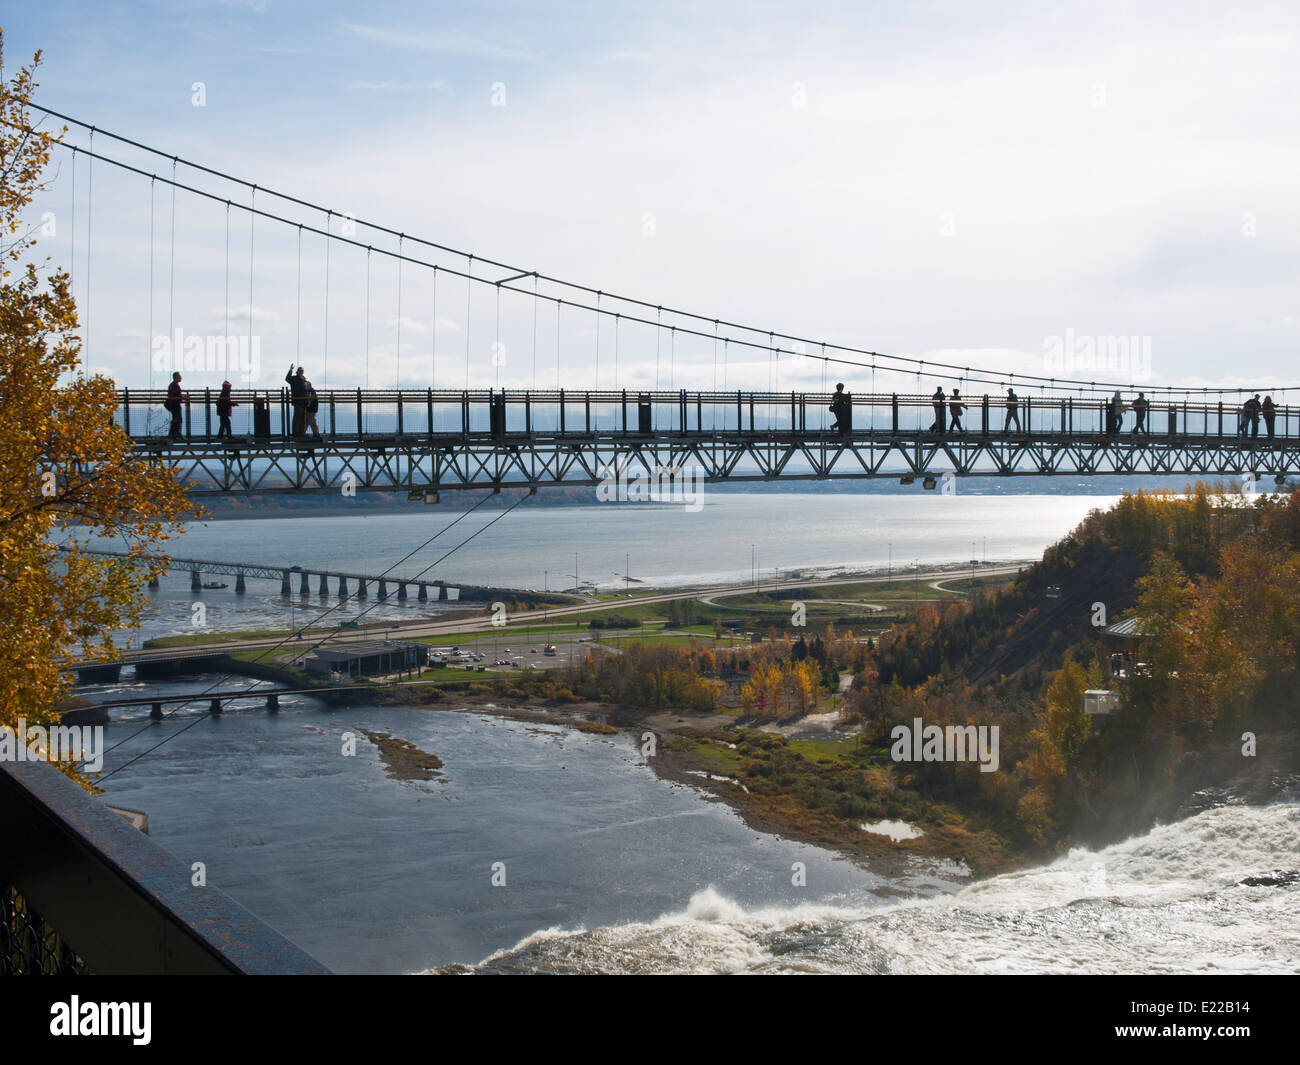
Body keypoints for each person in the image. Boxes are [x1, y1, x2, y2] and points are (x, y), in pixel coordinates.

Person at [285, 363, 309, 436]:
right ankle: (295, 433)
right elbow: (287, 379)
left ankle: (301, 433)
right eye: (300, 371)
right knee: (297, 418)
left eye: (302, 371)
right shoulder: (294, 378)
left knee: (303, 419)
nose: (301, 372)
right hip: (297, 401)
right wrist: (290, 370)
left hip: (304, 402)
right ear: (297, 372)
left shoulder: (304, 380)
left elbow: (306, 390)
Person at [165, 372, 186, 442]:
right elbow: (176, 395)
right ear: (176, 377)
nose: (181, 378)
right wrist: (182, 396)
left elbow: (176, 394)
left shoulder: (173, 385)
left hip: (174, 404)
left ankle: (174, 434)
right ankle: (174, 434)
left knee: (177, 419)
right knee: (177, 419)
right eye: (179, 376)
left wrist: (181, 396)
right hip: (175, 405)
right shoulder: (174, 385)